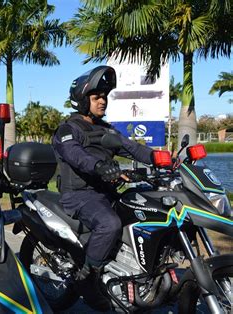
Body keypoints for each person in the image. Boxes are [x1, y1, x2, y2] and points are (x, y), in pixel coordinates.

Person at [52, 66, 153, 311]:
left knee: (143, 213)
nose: (103, 101)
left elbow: (133, 148)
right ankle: (88, 278)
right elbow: (75, 155)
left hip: (106, 193)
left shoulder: (106, 129)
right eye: (97, 97)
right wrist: (99, 166)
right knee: (110, 224)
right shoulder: (68, 130)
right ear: (83, 100)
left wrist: (164, 160)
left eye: (105, 97)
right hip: (79, 196)